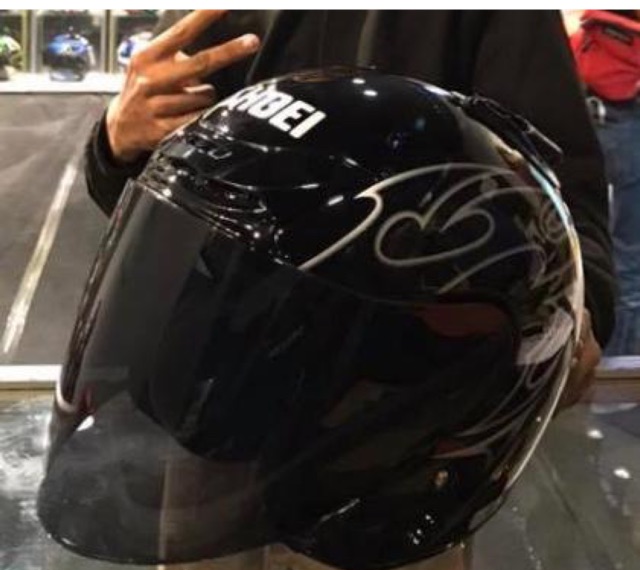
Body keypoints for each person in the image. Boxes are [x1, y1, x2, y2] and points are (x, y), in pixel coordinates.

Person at [84, 10, 611, 410]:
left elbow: (564, 192)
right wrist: (116, 140)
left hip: (393, 407)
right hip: (216, 386)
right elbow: (160, 193)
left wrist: (570, 318)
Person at [570, 10, 640, 357]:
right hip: (626, 131)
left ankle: (599, 352)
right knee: (630, 255)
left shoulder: (590, 32)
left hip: (591, 123)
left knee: (598, 246)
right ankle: (622, 361)